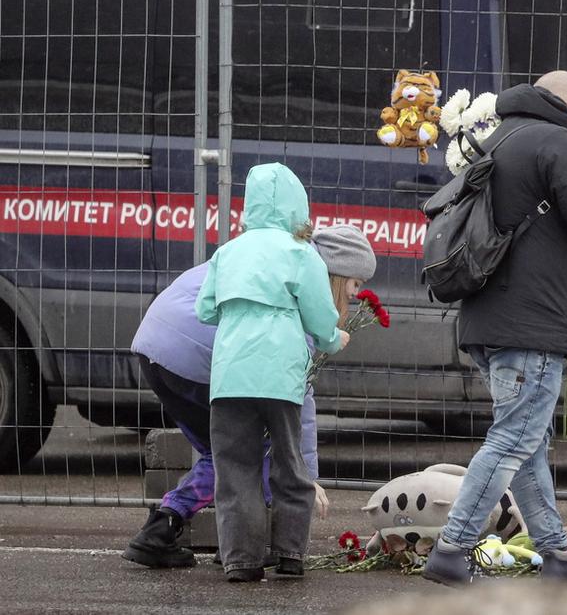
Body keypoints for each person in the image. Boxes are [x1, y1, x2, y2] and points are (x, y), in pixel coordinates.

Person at [421, 71, 567, 587]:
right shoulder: (556, 142)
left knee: (527, 443)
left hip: (492, 319)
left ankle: (557, 557)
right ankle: (453, 547)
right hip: (533, 323)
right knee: (514, 439)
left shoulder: (500, 137)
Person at [123, 221, 377, 569]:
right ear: (337, 273)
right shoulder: (300, 283)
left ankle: (163, 531)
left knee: (223, 454)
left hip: (154, 347)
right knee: (248, 450)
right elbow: (297, 393)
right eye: (355, 284)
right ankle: (253, 546)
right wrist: (306, 475)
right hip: (195, 356)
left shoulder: (272, 253)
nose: (355, 295)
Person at [196, 162, 353, 582]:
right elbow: (321, 319)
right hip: (281, 376)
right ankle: (289, 554)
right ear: (295, 207)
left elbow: (205, 309)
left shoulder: (227, 252)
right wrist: (334, 338)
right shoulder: (300, 253)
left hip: (230, 376)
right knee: (289, 462)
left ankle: (242, 561)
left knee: (235, 469)